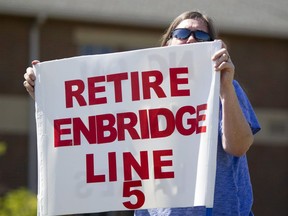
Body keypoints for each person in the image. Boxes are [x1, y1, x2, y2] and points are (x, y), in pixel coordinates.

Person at [24, 11, 261, 216]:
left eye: (201, 35)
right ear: (167, 43)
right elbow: (91, 126)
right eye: (181, 34)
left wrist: (226, 88)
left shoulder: (226, 87)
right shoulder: (137, 93)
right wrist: (50, 96)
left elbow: (238, 146)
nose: (191, 39)